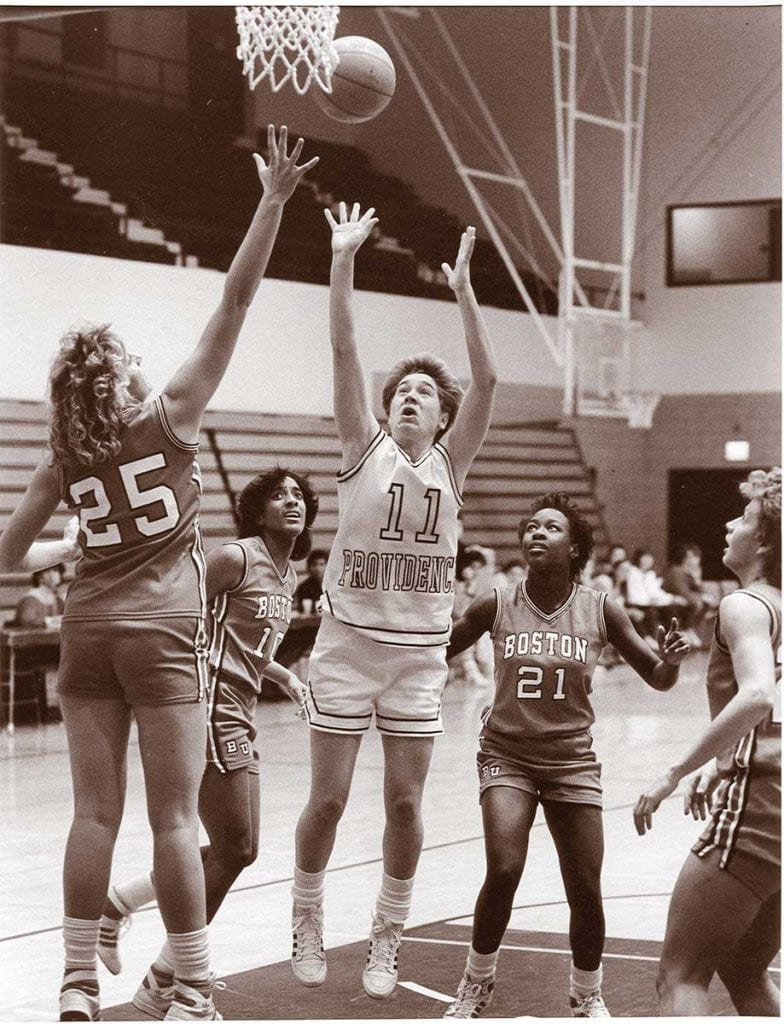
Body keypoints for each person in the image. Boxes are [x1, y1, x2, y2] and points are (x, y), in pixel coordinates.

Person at [0, 125, 318, 1023]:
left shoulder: (63, 460)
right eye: (133, 358)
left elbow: (4, 556)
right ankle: (191, 991)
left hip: (89, 631)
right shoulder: (171, 417)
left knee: (92, 815)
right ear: (123, 382)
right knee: (176, 822)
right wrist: (273, 199)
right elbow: (238, 299)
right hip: (163, 632)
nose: (144, 365)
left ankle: (71, 982)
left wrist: (67, 550)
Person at [290, 202, 497, 999]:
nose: (409, 398)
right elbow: (343, 344)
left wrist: (466, 292)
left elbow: (488, 379)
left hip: (416, 657)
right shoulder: (361, 448)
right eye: (400, 391)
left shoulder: (452, 464)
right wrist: (342, 259)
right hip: (346, 645)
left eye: (423, 393)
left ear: (443, 417)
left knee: (405, 803)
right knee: (331, 798)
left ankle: (387, 935)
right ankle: (306, 914)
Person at [441, 491, 689, 1019]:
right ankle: (475, 985)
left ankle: (586, 994)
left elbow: (659, 679)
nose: (536, 533)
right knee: (504, 868)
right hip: (506, 754)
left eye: (551, 527)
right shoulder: (497, 602)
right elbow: (436, 650)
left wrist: (669, 662)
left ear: (574, 547)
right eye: (531, 526)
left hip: (572, 760)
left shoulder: (601, 608)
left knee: (584, 887)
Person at [95, 468, 317, 1019]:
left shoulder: (287, 575)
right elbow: (178, 612)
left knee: (237, 850)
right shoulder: (235, 558)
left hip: (241, 711)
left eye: (298, 495)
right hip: (209, 710)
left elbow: (242, 642)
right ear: (256, 510)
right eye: (277, 495)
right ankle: (175, 985)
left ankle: (121, 908)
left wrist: (284, 677)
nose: (290, 502)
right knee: (236, 848)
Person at [633, 467, 781, 1017]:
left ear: (763, 540)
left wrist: (673, 771)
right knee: (745, 970)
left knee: (680, 978)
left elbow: (760, 696)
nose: (728, 523)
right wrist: (721, 763)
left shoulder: (745, 605)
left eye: (742, 517)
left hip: (763, 806)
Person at [662, 542, 717, 649]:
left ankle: (689, 629)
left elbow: (700, 590)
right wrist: (699, 598)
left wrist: (696, 579)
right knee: (697, 603)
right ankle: (687, 629)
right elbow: (680, 590)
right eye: (690, 557)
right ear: (683, 557)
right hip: (671, 601)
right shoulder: (676, 570)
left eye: (695, 556)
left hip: (685, 601)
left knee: (706, 603)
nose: (693, 560)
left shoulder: (690, 572)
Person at [293, 548, 328, 614]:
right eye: (314, 564)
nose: (317, 568)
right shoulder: (303, 587)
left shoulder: (333, 586)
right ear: (309, 567)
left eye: (321, 564)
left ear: (327, 566)